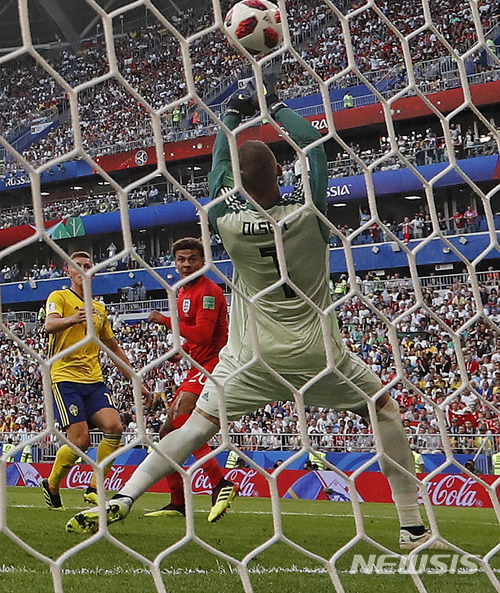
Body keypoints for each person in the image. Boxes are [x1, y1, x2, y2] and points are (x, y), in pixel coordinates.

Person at [66, 76, 445, 551]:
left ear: (237, 185)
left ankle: (125, 494)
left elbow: (217, 170)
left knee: (198, 426)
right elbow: (314, 149)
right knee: (384, 411)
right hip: (316, 353)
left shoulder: (226, 221)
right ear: (281, 178)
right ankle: (410, 522)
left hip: (251, 358)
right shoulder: (310, 215)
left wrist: (232, 116)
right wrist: (276, 104)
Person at [42, 251, 151, 510]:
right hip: (64, 377)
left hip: (94, 380)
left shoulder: (99, 308)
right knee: (80, 441)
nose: (82, 269)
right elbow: (49, 324)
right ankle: (52, 483)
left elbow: (113, 348)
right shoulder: (59, 297)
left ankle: (94, 487)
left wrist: (137, 380)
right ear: (67, 271)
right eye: (76, 266)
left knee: (115, 427)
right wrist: (74, 319)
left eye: (87, 265)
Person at [143, 237, 231, 518]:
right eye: (181, 259)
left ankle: (219, 483)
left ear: (203, 262)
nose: (185, 264)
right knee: (167, 432)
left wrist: (166, 321)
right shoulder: (183, 292)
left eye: (192, 259)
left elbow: (205, 335)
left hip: (214, 365)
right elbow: (198, 337)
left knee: (182, 420)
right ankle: (178, 502)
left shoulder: (208, 291)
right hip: (199, 363)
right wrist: (182, 352)